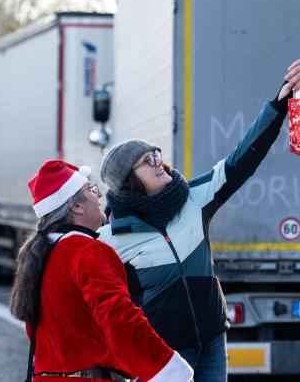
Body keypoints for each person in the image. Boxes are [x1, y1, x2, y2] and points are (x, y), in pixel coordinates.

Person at [96, 81, 292, 382]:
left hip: (212, 339)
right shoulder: (112, 238)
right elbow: (106, 309)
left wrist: (279, 106)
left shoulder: (193, 198)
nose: (158, 163)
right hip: (164, 354)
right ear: (129, 182)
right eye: (147, 162)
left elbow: (242, 158)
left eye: (156, 155)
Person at [10, 159, 193, 382]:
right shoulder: (86, 250)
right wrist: (171, 370)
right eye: (92, 189)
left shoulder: (41, 255)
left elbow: (37, 332)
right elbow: (120, 318)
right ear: (75, 206)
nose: (99, 196)